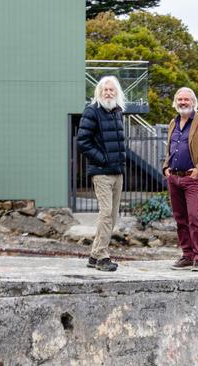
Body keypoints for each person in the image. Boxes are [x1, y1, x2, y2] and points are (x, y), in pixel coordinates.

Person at [163, 87, 198, 272]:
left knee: (194, 217)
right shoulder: (173, 122)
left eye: (186, 100)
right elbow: (171, 149)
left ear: (193, 102)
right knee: (180, 219)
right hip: (174, 179)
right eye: (179, 99)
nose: (183, 103)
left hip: (193, 179)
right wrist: (166, 168)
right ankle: (187, 255)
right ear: (175, 102)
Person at [77, 76, 126, 272]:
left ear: (117, 92)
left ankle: (93, 255)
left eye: (111, 90)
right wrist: (103, 159)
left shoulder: (118, 112)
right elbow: (83, 141)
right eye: (105, 90)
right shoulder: (92, 111)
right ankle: (102, 257)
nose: (108, 93)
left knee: (112, 216)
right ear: (99, 92)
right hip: (101, 172)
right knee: (106, 213)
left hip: (117, 172)